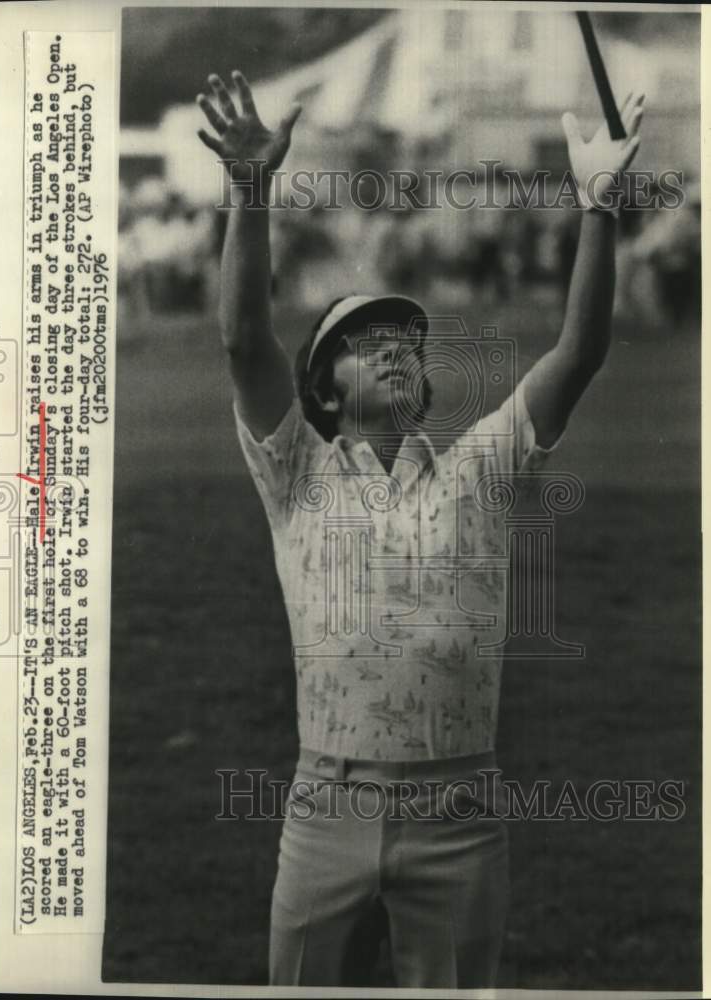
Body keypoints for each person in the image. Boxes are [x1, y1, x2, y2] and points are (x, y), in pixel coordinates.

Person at [196, 70, 644, 988]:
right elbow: (244, 339)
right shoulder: (295, 469)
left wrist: (597, 206)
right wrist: (249, 189)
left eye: (408, 340)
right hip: (326, 806)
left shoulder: (481, 464)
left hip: (460, 813)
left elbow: (581, 350)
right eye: (367, 344)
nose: (397, 347)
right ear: (324, 389)